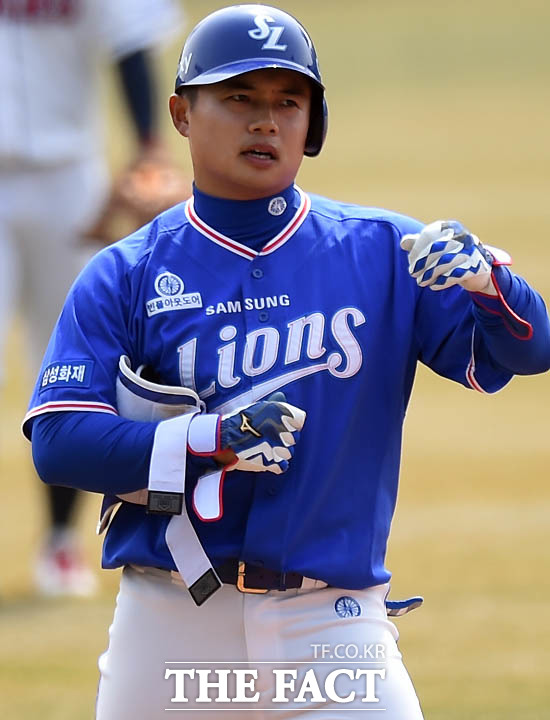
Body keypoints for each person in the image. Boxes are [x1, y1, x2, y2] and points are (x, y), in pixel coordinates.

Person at [22, 4, 550, 718]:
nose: (265, 120)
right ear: (181, 113)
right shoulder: (128, 273)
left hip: (332, 628)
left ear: (313, 124)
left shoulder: (382, 251)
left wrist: (492, 283)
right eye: (239, 97)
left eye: (288, 101)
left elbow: (527, 350)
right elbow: (59, 441)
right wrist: (211, 442)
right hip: (171, 619)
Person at [0, 0, 184, 596]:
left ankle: (58, 542)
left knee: (71, 367)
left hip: (69, 180)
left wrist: (150, 147)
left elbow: (129, 38)